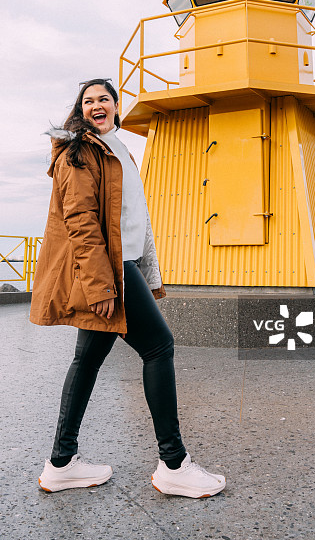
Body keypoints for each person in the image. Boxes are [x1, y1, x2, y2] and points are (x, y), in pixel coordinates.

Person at [30, 78, 225, 498]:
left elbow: (133, 214)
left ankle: (61, 463)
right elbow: (80, 220)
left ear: (116, 107)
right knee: (158, 347)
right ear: (80, 110)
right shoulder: (79, 152)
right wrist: (101, 286)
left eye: (104, 99)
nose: (96, 105)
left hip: (125, 263)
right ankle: (173, 464)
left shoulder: (117, 147)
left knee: (87, 359)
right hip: (110, 269)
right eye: (88, 101)